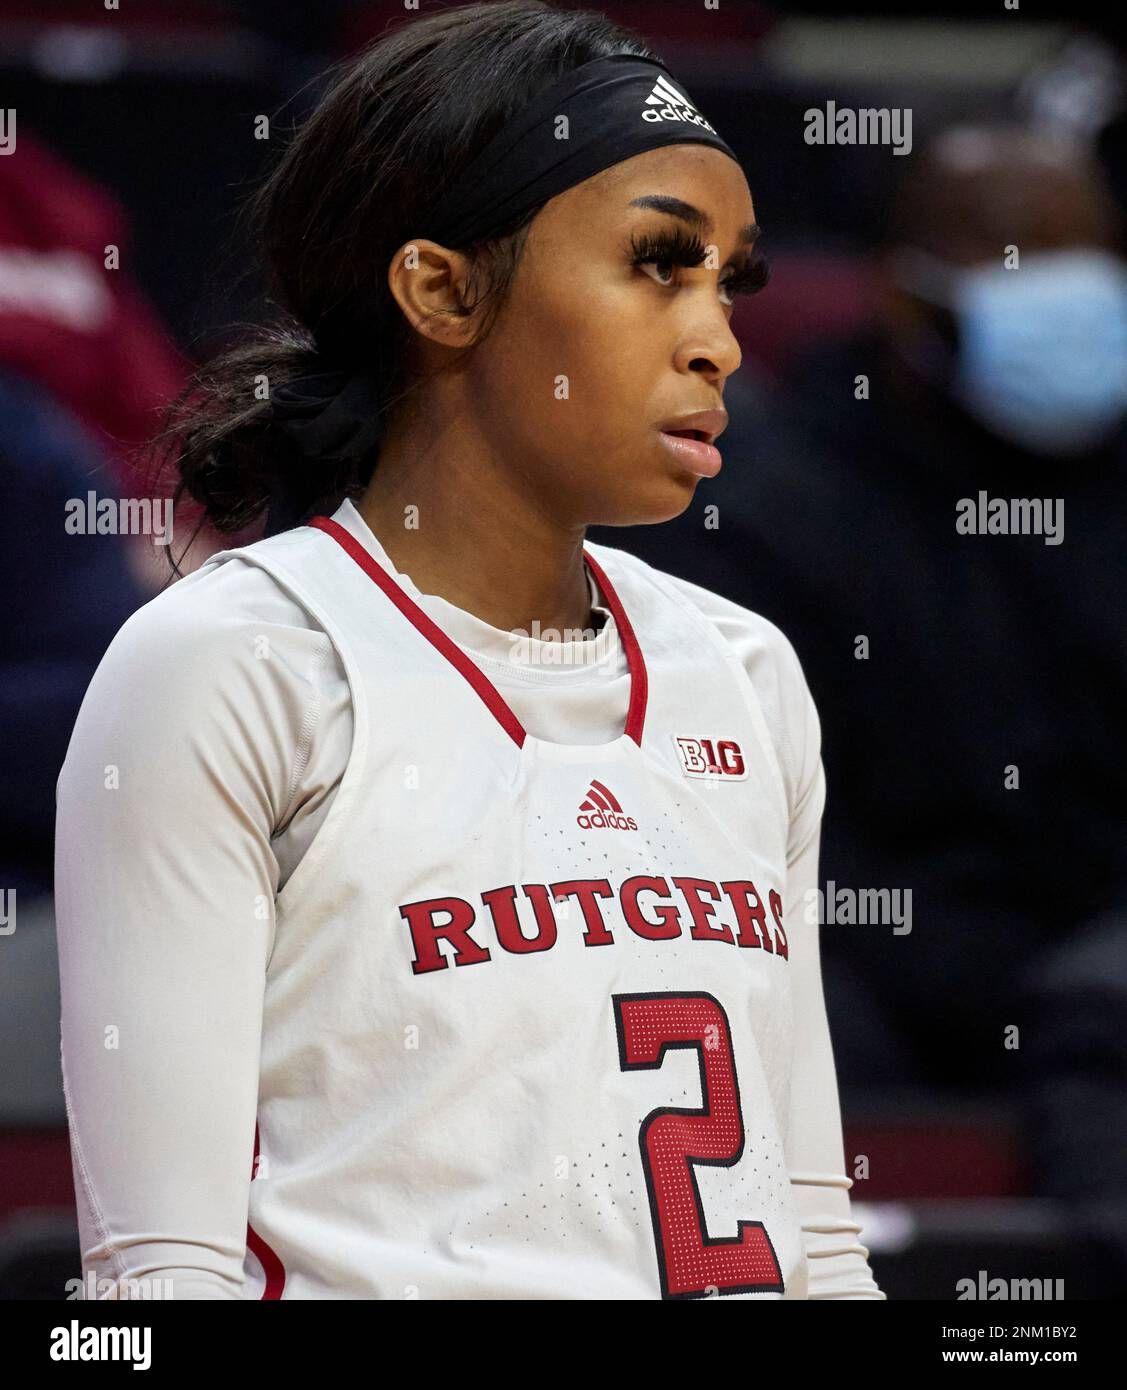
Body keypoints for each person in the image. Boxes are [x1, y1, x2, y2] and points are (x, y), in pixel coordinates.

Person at [54, 0, 883, 1300]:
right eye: (660, 263)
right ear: (441, 288)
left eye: (732, 281)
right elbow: (161, 1274)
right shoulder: (236, 665)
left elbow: (817, 1235)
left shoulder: (746, 669)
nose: (718, 335)